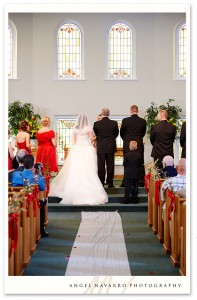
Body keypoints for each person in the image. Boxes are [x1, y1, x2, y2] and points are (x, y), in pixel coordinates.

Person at [49, 113, 108, 205]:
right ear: (86, 120)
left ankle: (73, 190)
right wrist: (97, 137)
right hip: (86, 149)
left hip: (77, 149)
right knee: (88, 169)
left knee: (76, 169)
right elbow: (92, 139)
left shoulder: (76, 128)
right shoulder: (88, 128)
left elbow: (75, 141)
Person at [11, 155, 48, 237]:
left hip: (16, 202)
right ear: (33, 165)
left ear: (23, 164)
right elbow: (42, 188)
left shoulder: (16, 174)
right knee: (42, 202)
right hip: (30, 203)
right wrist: (40, 174)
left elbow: (14, 186)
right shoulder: (35, 177)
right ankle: (41, 229)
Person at [120, 105, 146, 187]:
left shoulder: (125, 121)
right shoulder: (143, 121)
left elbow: (122, 133)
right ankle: (141, 181)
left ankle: (125, 182)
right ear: (137, 111)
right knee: (140, 164)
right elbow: (143, 133)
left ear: (131, 111)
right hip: (138, 145)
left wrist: (127, 141)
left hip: (128, 145)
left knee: (127, 164)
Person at [93, 108, 119, 188]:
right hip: (110, 146)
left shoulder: (97, 124)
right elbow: (116, 134)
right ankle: (110, 183)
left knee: (101, 165)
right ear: (109, 113)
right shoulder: (114, 123)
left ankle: (101, 182)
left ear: (102, 113)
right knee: (110, 165)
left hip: (101, 147)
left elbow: (96, 134)